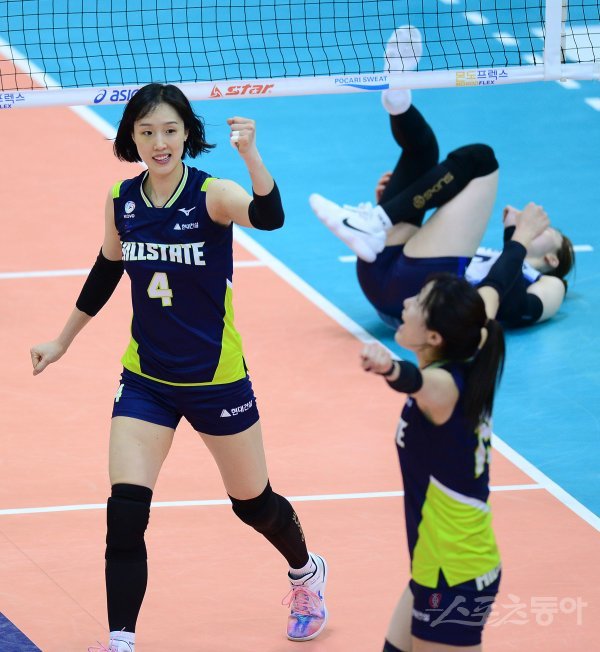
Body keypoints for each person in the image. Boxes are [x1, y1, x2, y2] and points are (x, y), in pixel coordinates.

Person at [30, 83, 327, 651]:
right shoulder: (122, 199)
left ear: (188, 132)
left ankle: (306, 572)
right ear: (131, 137)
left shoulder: (213, 195)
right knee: (125, 512)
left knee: (254, 505)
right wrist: (62, 340)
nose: (159, 142)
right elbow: (107, 269)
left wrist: (251, 155)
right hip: (146, 381)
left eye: (170, 130)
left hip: (216, 381)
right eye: (147, 132)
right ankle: (120, 642)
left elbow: (269, 217)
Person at [360, 202, 551, 651]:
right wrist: (518, 239)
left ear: (433, 337)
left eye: (417, 303)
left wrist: (389, 367)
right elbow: (494, 287)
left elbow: (418, 382)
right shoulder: (471, 337)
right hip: (434, 566)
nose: (406, 303)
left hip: (455, 574)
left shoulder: (445, 386)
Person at [309, 26, 574, 330]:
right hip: (386, 269)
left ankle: (377, 221)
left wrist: (519, 238)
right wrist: (403, 200)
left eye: (546, 230)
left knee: (481, 159)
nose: (537, 223)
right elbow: (440, 241)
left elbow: (511, 307)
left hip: (417, 294)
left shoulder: (551, 285)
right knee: (423, 153)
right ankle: (397, 100)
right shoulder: (486, 253)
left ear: (553, 259)